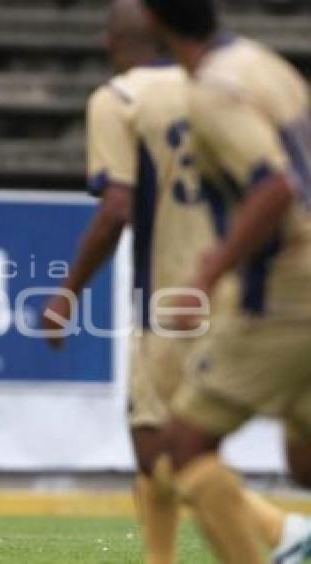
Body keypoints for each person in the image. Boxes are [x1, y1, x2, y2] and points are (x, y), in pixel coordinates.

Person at [43, 1, 309, 562]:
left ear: (113, 40)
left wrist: (67, 293)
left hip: (191, 294)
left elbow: (117, 206)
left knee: (165, 446)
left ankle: (277, 530)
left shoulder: (122, 98)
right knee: (297, 459)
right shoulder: (265, 67)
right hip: (254, 289)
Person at [141, 0, 311, 562]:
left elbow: (273, 188)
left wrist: (209, 273)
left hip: (289, 291)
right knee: (304, 463)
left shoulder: (214, 89)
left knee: (185, 446)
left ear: (153, 22)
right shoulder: (264, 64)